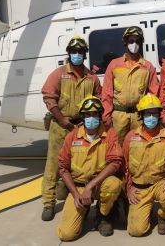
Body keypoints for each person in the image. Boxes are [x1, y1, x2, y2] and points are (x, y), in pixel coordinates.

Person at [40, 36, 102, 221]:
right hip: (60, 126)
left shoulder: (91, 78)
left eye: (80, 52)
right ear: (68, 53)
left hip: (83, 126)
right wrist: (61, 119)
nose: (77, 55)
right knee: (54, 164)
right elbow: (49, 97)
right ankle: (48, 203)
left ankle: (74, 192)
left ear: (85, 55)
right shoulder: (58, 74)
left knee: (83, 163)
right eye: (74, 52)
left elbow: (98, 101)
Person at [56, 96, 123, 241]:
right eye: (87, 115)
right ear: (82, 117)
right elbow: (63, 168)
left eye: (94, 114)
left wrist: (91, 186)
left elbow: (115, 162)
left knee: (114, 184)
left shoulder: (110, 134)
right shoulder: (72, 137)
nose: (91, 118)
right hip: (78, 187)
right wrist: (75, 194)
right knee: (67, 234)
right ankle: (83, 209)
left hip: (100, 184)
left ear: (100, 116)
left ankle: (103, 215)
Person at [124, 93, 165, 236]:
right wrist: (128, 188)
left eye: (154, 113)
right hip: (139, 188)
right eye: (147, 114)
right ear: (141, 115)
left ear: (159, 115)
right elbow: (124, 166)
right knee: (136, 231)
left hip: (160, 184)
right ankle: (145, 210)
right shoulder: (130, 137)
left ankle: (164, 216)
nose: (151, 117)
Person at [102, 26, 159, 144]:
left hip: (139, 116)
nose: (135, 44)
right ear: (125, 42)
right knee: (117, 146)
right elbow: (107, 93)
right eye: (131, 41)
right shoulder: (114, 64)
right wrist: (106, 115)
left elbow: (154, 93)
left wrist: (152, 115)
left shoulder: (148, 66)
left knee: (140, 145)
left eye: (138, 41)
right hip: (119, 116)